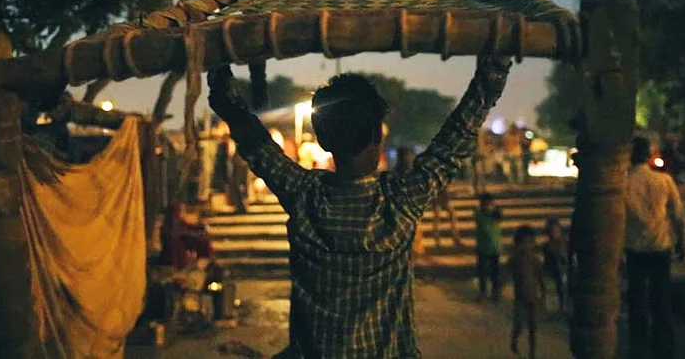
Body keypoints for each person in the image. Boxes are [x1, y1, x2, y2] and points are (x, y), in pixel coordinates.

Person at [208, 54, 513, 358]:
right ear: (378, 135)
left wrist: (218, 67)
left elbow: (250, 135)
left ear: (323, 141)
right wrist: (495, 64)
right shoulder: (401, 199)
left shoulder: (303, 195)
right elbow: (458, 135)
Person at [625, 136, 685, 359]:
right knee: (660, 296)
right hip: (660, 246)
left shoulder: (624, 183)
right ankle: (663, 345)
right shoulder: (664, 180)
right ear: (649, 155)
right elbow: (678, 214)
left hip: (634, 248)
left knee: (637, 297)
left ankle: (638, 343)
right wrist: (681, 241)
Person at [508, 225, 544, 359]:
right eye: (523, 243)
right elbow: (506, 274)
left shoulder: (535, 261)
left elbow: (540, 279)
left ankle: (532, 353)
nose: (526, 246)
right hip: (520, 298)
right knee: (519, 324)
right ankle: (514, 339)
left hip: (533, 297)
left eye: (529, 243)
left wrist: (543, 295)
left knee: (533, 327)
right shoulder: (514, 260)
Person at [474, 193, 503, 302]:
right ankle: (483, 291)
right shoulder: (479, 216)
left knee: (495, 273)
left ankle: (495, 292)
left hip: (494, 249)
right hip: (483, 249)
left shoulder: (495, 216)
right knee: (482, 272)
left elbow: (499, 215)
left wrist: (495, 209)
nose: (487, 207)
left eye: (490, 205)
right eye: (485, 205)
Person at [542, 217, 567, 313]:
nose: (554, 233)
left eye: (556, 230)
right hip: (553, 273)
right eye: (552, 231)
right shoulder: (547, 246)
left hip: (563, 271)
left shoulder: (565, 243)